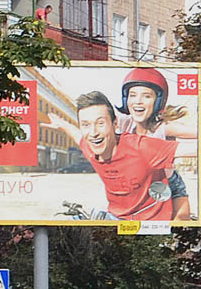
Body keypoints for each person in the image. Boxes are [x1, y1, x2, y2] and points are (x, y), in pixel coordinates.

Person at [72, 90, 194, 220]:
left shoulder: (142, 146)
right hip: (119, 217)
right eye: (85, 125)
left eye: (100, 123)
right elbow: (75, 134)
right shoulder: (89, 145)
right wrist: (59, 123)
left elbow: (190, 149)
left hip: (155, 212)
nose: (93, 132)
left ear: (115, 124)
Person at [114, 67, 196, 220]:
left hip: (168, 186)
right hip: (135, 187)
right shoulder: (125, 123)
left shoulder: (164, 128)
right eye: (132, 95)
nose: (138, 101)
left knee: (179, 225)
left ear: (158, 101)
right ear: (126, 99)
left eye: (146, 96)